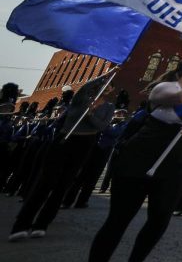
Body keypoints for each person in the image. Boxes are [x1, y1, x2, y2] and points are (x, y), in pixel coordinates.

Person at [77, 55, 182, 262]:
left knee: (159, 218)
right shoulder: (165, 87)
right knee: (119, 218)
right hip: (140, 157)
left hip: (175, 163)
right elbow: (178, 98)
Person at [10, 76, 115, 241]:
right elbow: (83, 88)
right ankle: (21, 224)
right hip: (65, 139)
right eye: (104, 85)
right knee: (45, 182)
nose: (106, 88)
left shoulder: (109, 107)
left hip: (85, 143)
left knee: (63, 184)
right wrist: (105, 76)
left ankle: (41, 224)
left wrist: (91, 114)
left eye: (109, 86)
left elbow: (102, 126)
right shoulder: (81, 99)